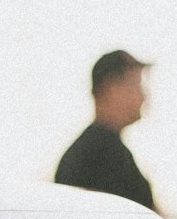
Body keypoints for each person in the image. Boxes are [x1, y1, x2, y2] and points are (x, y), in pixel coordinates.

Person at [55, 49, 155, 209]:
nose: (144, 96)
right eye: (137, 85)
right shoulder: (101, 157)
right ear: (112, 89)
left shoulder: (92, 152)